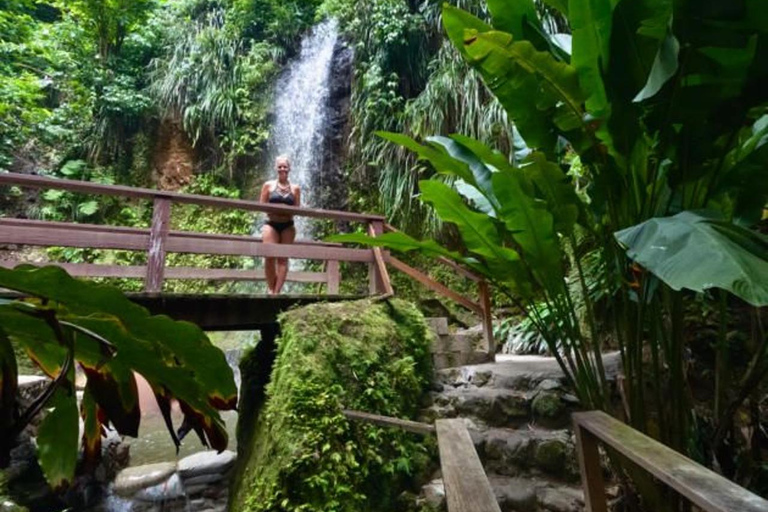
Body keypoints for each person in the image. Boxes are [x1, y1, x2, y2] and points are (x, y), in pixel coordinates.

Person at [260, 155, 300, 294]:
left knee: (283, 259)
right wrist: (277, 210)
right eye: (280, 166)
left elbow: (297, 208)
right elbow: (262, 206)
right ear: (276, 168)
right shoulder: (268, 185)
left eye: (285, 166)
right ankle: (271, 289)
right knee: (269, 257)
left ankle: (276, 293)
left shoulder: (295, 189)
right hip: (271, 224)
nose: (282, 169)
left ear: (289, 169)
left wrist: (285, 211)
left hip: (288, 226)